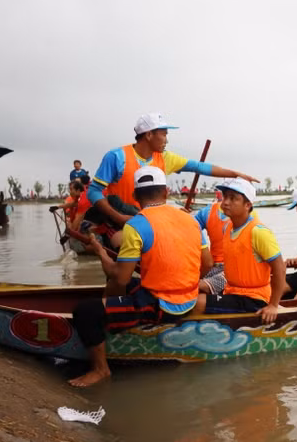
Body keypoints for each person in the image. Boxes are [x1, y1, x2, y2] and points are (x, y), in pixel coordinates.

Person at [69, 166, 211, 387]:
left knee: (85, 311)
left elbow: (120, 278)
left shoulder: (136, 225)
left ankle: (100, 369)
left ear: (135, 197)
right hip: (189, 297)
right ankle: (116, 318)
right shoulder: (191, 220)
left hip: (162, 305)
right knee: (128, 285)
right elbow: (208, 264)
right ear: (165, 192)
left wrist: (100, 252)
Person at [86, 112, 259, 247]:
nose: (166, 140)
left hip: (153, 220)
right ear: (148, 135)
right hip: (122, 221)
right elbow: (93, 192)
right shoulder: (117, 157)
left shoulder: (165, 158)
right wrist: (119, 217)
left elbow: (200, 167)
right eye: (164, 135)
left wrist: (236, 174)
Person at [201, 179, 286, 323]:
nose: (226, 202)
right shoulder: (227, 228)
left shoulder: (258, 232)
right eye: (225, 196)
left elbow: (280, 269)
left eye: (233, 198)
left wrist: (273, 305)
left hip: (254, 298)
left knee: (197, 302)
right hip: (232, 291)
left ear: (248, 205)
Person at [193, 197, 230, 295]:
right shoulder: (208, 212)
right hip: (214, 267)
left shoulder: (251, 221)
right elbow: (191, 227)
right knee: (193, 281)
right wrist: (183, 217)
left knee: (200, 285)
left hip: (232, 270)